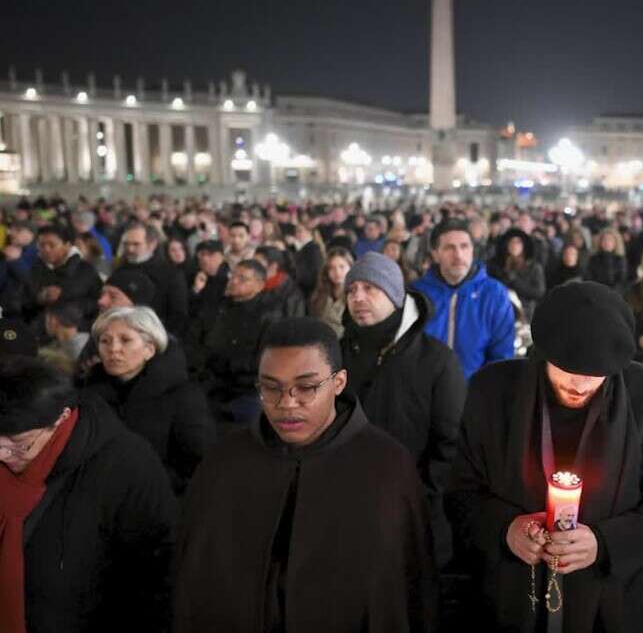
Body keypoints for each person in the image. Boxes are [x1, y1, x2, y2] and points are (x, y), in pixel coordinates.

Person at [447, 281, 643, 632]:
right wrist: (506, 529)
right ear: (544, 353)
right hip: (511, 596)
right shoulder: (493, 391)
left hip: (613, 603)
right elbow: (460, 494)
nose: (579, 385)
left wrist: (604, 543)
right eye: (569, 371)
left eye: (595, 376)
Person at [174, 318, 438, 632]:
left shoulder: (388, 467)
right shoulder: (224, 464)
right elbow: (193, 587)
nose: (286, 403)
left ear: (338, 383)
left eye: (306, 387)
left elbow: (409, 594)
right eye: (271, 387)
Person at [0, 356, 177, 632]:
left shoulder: (126, 465)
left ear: (61, 418)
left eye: (18, 445)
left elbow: (156, 575)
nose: (2, 455)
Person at [341, 252, 465, 566]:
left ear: (395, 296)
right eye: (351, 290)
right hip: (346, 506)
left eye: (370, 288)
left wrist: (420, 492)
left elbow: (451, 442)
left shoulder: (436, 361)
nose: (358, 297)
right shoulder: (336, 354)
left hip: (413, 511)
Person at [83, 306, 215, 494]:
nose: (114, 349)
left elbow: (200, 464)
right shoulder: (91, 391)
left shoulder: (183, 396)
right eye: (105, 341)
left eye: (125, 340)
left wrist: (146, 483)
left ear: (149, 349)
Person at [412, 218, 514, 378]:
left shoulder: (494, 293)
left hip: (475, 393)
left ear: (473, 250)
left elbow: (501, 355)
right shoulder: (417, 293)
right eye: (449, 248)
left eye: (464, 246)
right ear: (435, 254)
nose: (458, 255)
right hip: (424, 393)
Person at [200, 260, 283, 428]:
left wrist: (229, 364)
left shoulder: (269, 314)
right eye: (233, 276)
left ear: (259, 285)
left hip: (246, 388)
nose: (233, 281)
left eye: (242, 278)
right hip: (213, 381)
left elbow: (265, 359)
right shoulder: (220, 306)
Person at [23, 224, 102, 339]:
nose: (46, 249)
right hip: (39, 333)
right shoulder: (35, 269)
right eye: (41, 245)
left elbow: (98, 302)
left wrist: (64, 300)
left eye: (52, 245)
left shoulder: (85, 270)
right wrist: (39, 299)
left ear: (67, 245)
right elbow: (23, 303)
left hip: (76, 333)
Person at [117, 222, 190, 337]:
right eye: (126, 244)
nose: (130, 249)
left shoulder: (171, 274)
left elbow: (178, 316)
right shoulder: (120, 270)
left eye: (136, 244)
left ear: (152, 244)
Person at [488, 228, 546, 317]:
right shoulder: (495, 265)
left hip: (525, 313)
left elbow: (539, 292)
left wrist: (514, 281)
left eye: (518, 242)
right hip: (498, 311)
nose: (514, 245)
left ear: (524, 245)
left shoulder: (534, 266)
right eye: (511, 242)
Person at [309, 246, 353, 338]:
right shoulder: (320, 294)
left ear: (350, 267)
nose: (337, 272)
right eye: (332, 268)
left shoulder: (355, 295)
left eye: (342, 267)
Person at [255, 245, 307, 317]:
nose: (252, 266)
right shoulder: (253, 285)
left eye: (257, 263)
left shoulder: (291, 292)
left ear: (273, 266)